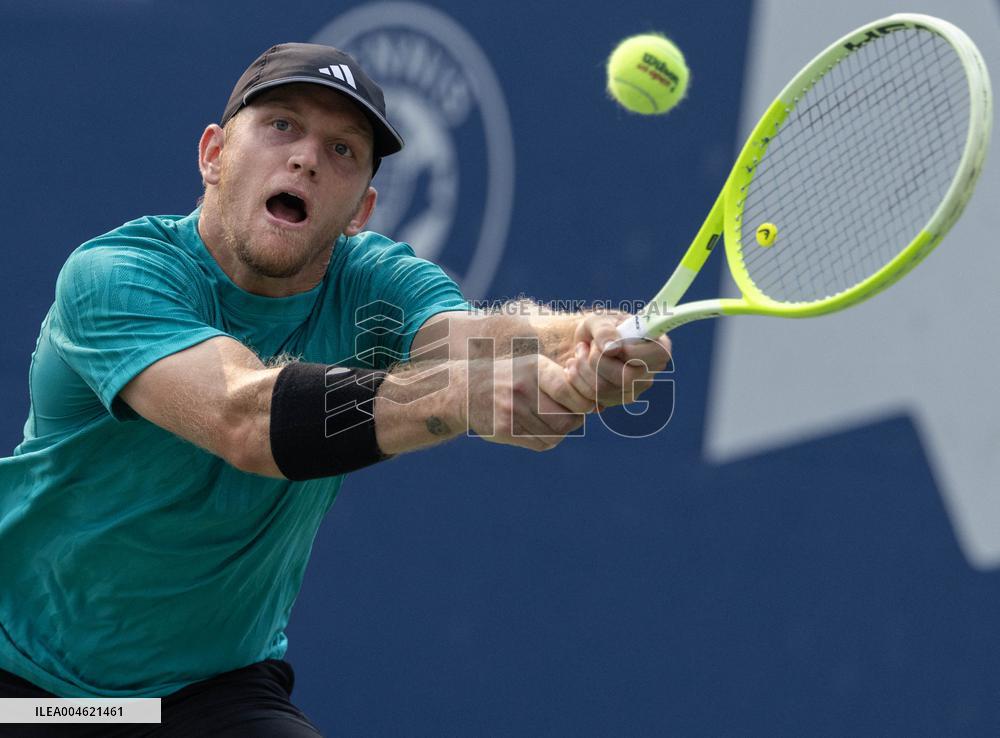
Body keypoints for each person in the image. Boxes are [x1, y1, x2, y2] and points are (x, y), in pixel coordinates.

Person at [0, 43, 671, 736]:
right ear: (213, 155)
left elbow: (471, 339)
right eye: (282, 125)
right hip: (22, 680)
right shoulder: (114, 276)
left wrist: (586, 340)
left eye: (343, 150)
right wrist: (462, 398)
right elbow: (242, 414)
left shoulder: (373, 280)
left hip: (210, 690)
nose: (307, 159)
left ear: (361, 209)